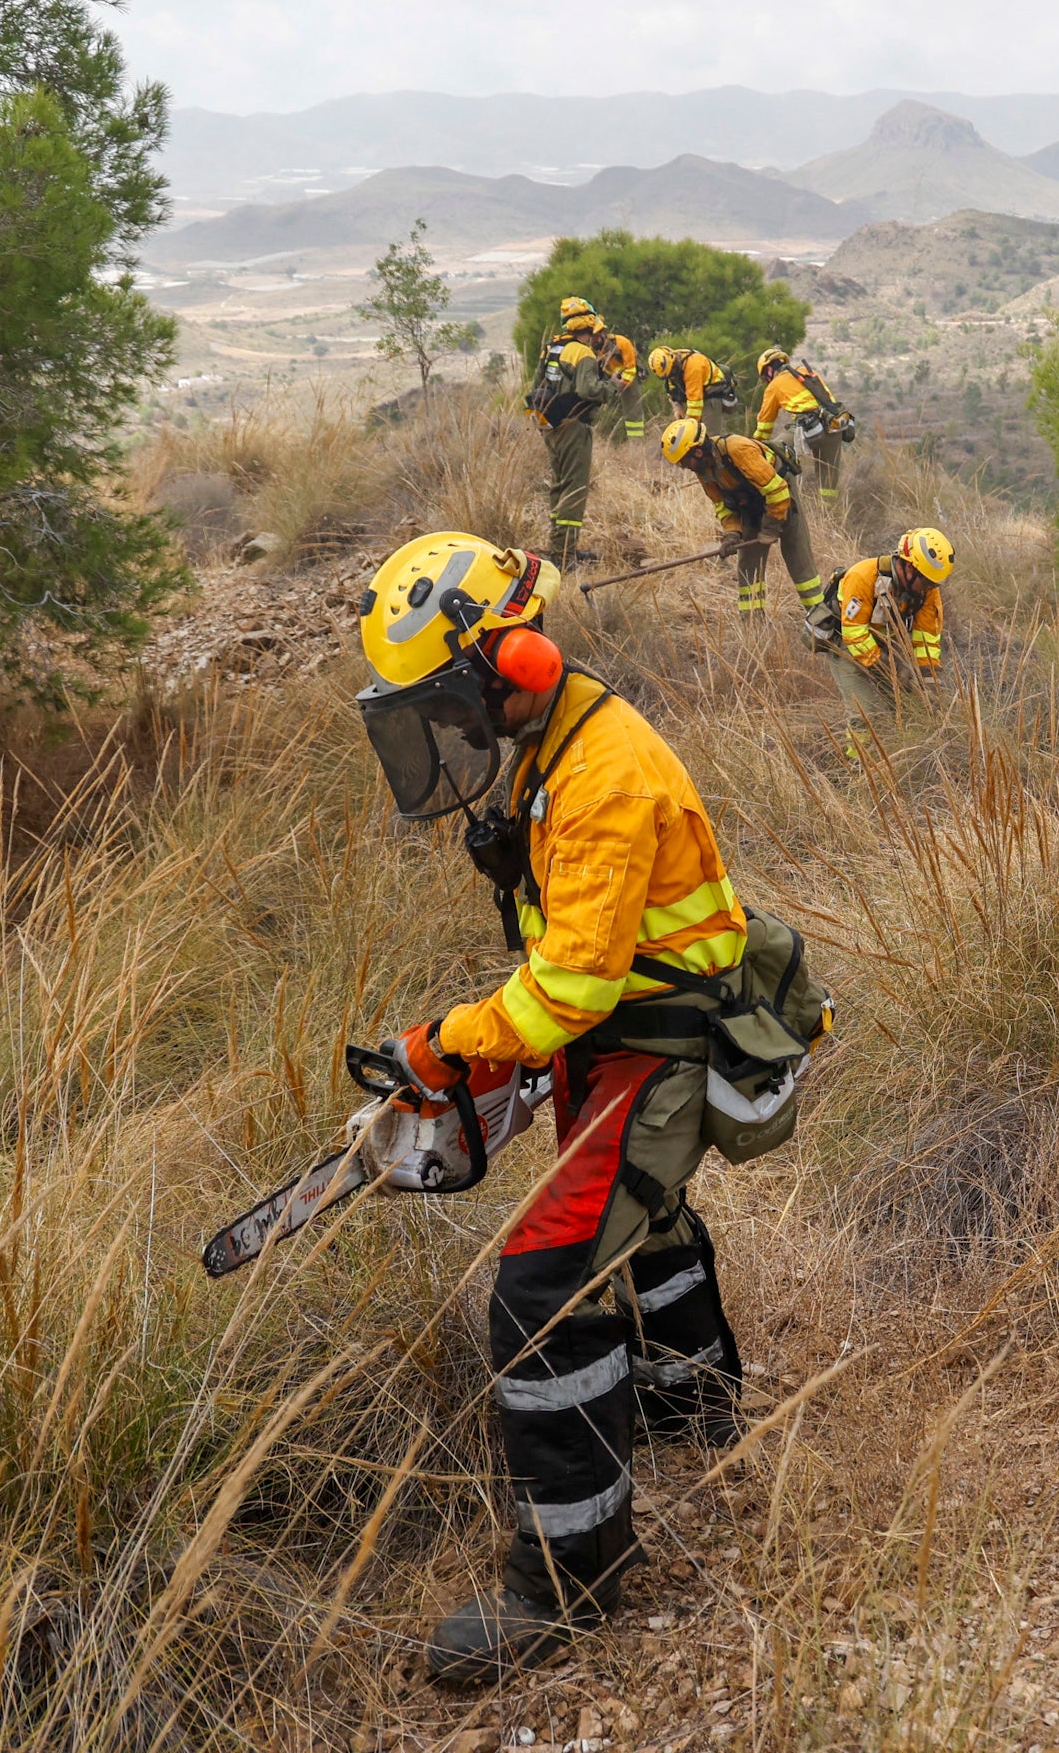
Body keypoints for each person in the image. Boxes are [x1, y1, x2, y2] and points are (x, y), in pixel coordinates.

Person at [347, 532, 765, 1684]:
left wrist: (450, 1043)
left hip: (656, 1042)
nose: (451, 726)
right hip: (624, 1028)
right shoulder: (551, 736)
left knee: (541, 1285)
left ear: (509, 660)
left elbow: (570, 985)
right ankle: (696, 1404)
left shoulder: (601, 772)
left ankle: (564, 1582)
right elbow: (574, 965)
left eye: (450, 697)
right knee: (652, 1218)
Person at [659, 416, 825, 620]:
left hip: (781, 494)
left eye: (684, 461)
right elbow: (721, 505)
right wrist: (731, 534)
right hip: (750, 504)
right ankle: (752, 622)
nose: (684, 467)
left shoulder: (738, 449)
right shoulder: (703, 470)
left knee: (797, 554)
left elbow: (778, 492)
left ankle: (822, 620)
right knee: (748, 562)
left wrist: (771, 528)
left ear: (698, 451)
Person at [823, 527, 952, 748]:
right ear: (910, 568)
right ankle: (857, 768)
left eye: (934, 584)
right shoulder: (862, 576)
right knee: (864, 714)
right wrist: (890, 669)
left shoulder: (927, 589)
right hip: (846, 644)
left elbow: (927, 638)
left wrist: (929, 680)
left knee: (907, 705)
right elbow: (854, 633)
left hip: (884, 644)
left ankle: (903, 752)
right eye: (928, 582)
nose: (931, 588)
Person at [523, 299, 624, 561]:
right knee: (575, 489)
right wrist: (612, 386)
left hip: (549, 425)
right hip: (573, 427)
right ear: (589, 325)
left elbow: (536, 385)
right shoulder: (582, 353)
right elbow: (587, 390)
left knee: (559, 485)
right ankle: (564, 555)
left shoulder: (552, 348)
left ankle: (559, 546)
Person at [754, 347, 855, 508]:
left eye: (765, 377)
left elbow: (765, 424)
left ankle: (779, 500)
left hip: (809, 430)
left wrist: (756, 447)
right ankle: (829, 517)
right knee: (828, 482)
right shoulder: (808, 372)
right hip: (833, 425)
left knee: (775, 452)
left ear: (769, 370)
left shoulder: (774, 386)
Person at [646, 345, 737, 435]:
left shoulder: (693, 366)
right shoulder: (671, 369)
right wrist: (677, 408)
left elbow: (695, 404)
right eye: (669, 375)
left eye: (672, 372)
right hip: (697, 396)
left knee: (709, 438)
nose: (672, 376)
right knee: (694, 439)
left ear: (673, 360)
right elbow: (672, 391)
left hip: (712, 395)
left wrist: (686, 429)